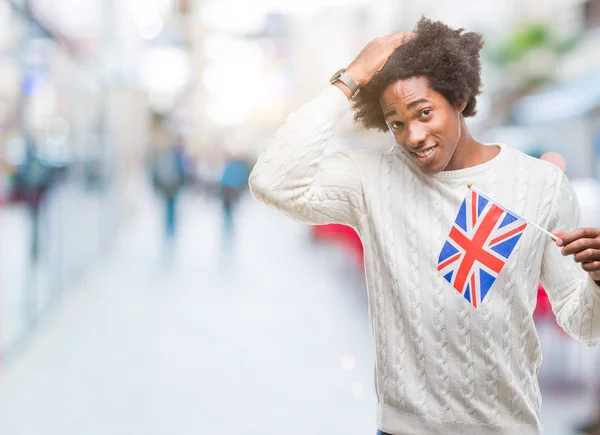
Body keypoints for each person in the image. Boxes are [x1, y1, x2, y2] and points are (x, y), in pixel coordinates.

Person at [248, 18, 600, 435]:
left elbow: (584, 325)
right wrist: (350, 79)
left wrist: (596, 282)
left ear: (460, 96)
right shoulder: (371, 179)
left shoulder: (540, 184)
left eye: (424, 112)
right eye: (396, 122)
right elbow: (272, 181)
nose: (413, 134)